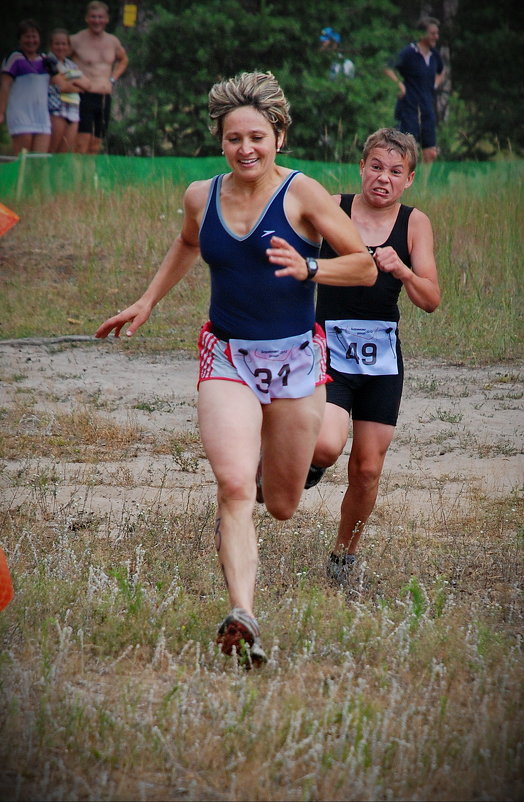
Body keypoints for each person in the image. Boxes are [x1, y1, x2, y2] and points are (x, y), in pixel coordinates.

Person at [95, 71, 377, 666]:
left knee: (281, 504)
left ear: (278, 135)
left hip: (298, 361)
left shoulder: (304, 195)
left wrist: (311, 270)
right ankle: (243, 611)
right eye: (233, 139)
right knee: (232, 484)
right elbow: (188, 242)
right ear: (220, 142)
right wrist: (148, 299)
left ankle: (291, 474)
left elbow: (364, 267)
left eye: (257, 137)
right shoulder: (203, 194)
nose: (245, 148)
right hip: (227, 355)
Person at [305, 128, 440, 588]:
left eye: (395, 171)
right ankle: (302, 462)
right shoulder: (331, 206)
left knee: (366, 470)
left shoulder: (414, 223)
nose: (383, 178)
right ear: (361, 167)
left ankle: (344, 557)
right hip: (328, 346)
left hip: (382, 359)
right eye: (376, 167)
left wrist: (401, 268)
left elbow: (431, 299)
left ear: (409, 180)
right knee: (326, 443)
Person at [384, 17, 445, 164]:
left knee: (431, 151)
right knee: (408, 147)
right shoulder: (408, 52)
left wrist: (434, 85)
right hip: (409, 106)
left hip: (427, 106)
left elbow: (441, 71)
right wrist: (400, 85)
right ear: (422, 34)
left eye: (437, 33)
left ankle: (424, 184)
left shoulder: (435, 55)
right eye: (432, 33)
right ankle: (407, 181)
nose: (436, 37)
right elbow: (387, 67)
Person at [70, 1, 128, 154]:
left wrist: (113, 79)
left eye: (100, 17)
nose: (97, 21)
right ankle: (77, 176)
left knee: (96, 144)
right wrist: (75, 80)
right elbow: (61, 61)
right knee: (82, 143)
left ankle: (89, 177)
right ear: (87, 19)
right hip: (84, 96)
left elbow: (123, 59)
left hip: (104, 96)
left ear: (107, 19)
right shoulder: (76, 40)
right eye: (93, 17)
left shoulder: (112, 41)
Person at [0, 19, 65, 155]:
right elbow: (5, 86)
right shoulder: (15, 58)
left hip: (41, 115)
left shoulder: (45, 60)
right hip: (21, 115)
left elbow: (61, 84)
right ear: (20, 39)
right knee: (23, 160)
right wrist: (1, 111)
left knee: (39, 161)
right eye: (27, 37)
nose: (31, 41)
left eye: (34, 36)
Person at [47, 29, 91, 153]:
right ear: (51, 45)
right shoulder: (48, 61)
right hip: (56, 111)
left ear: (68, 46)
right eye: (57, 44)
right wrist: (75, 84)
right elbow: (63, 87)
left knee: (62, 157)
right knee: (51, 153)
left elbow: (87, 85)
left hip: (72, 111)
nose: (60, 47)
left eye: (64, 44)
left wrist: (67, 80)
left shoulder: (71, 65)